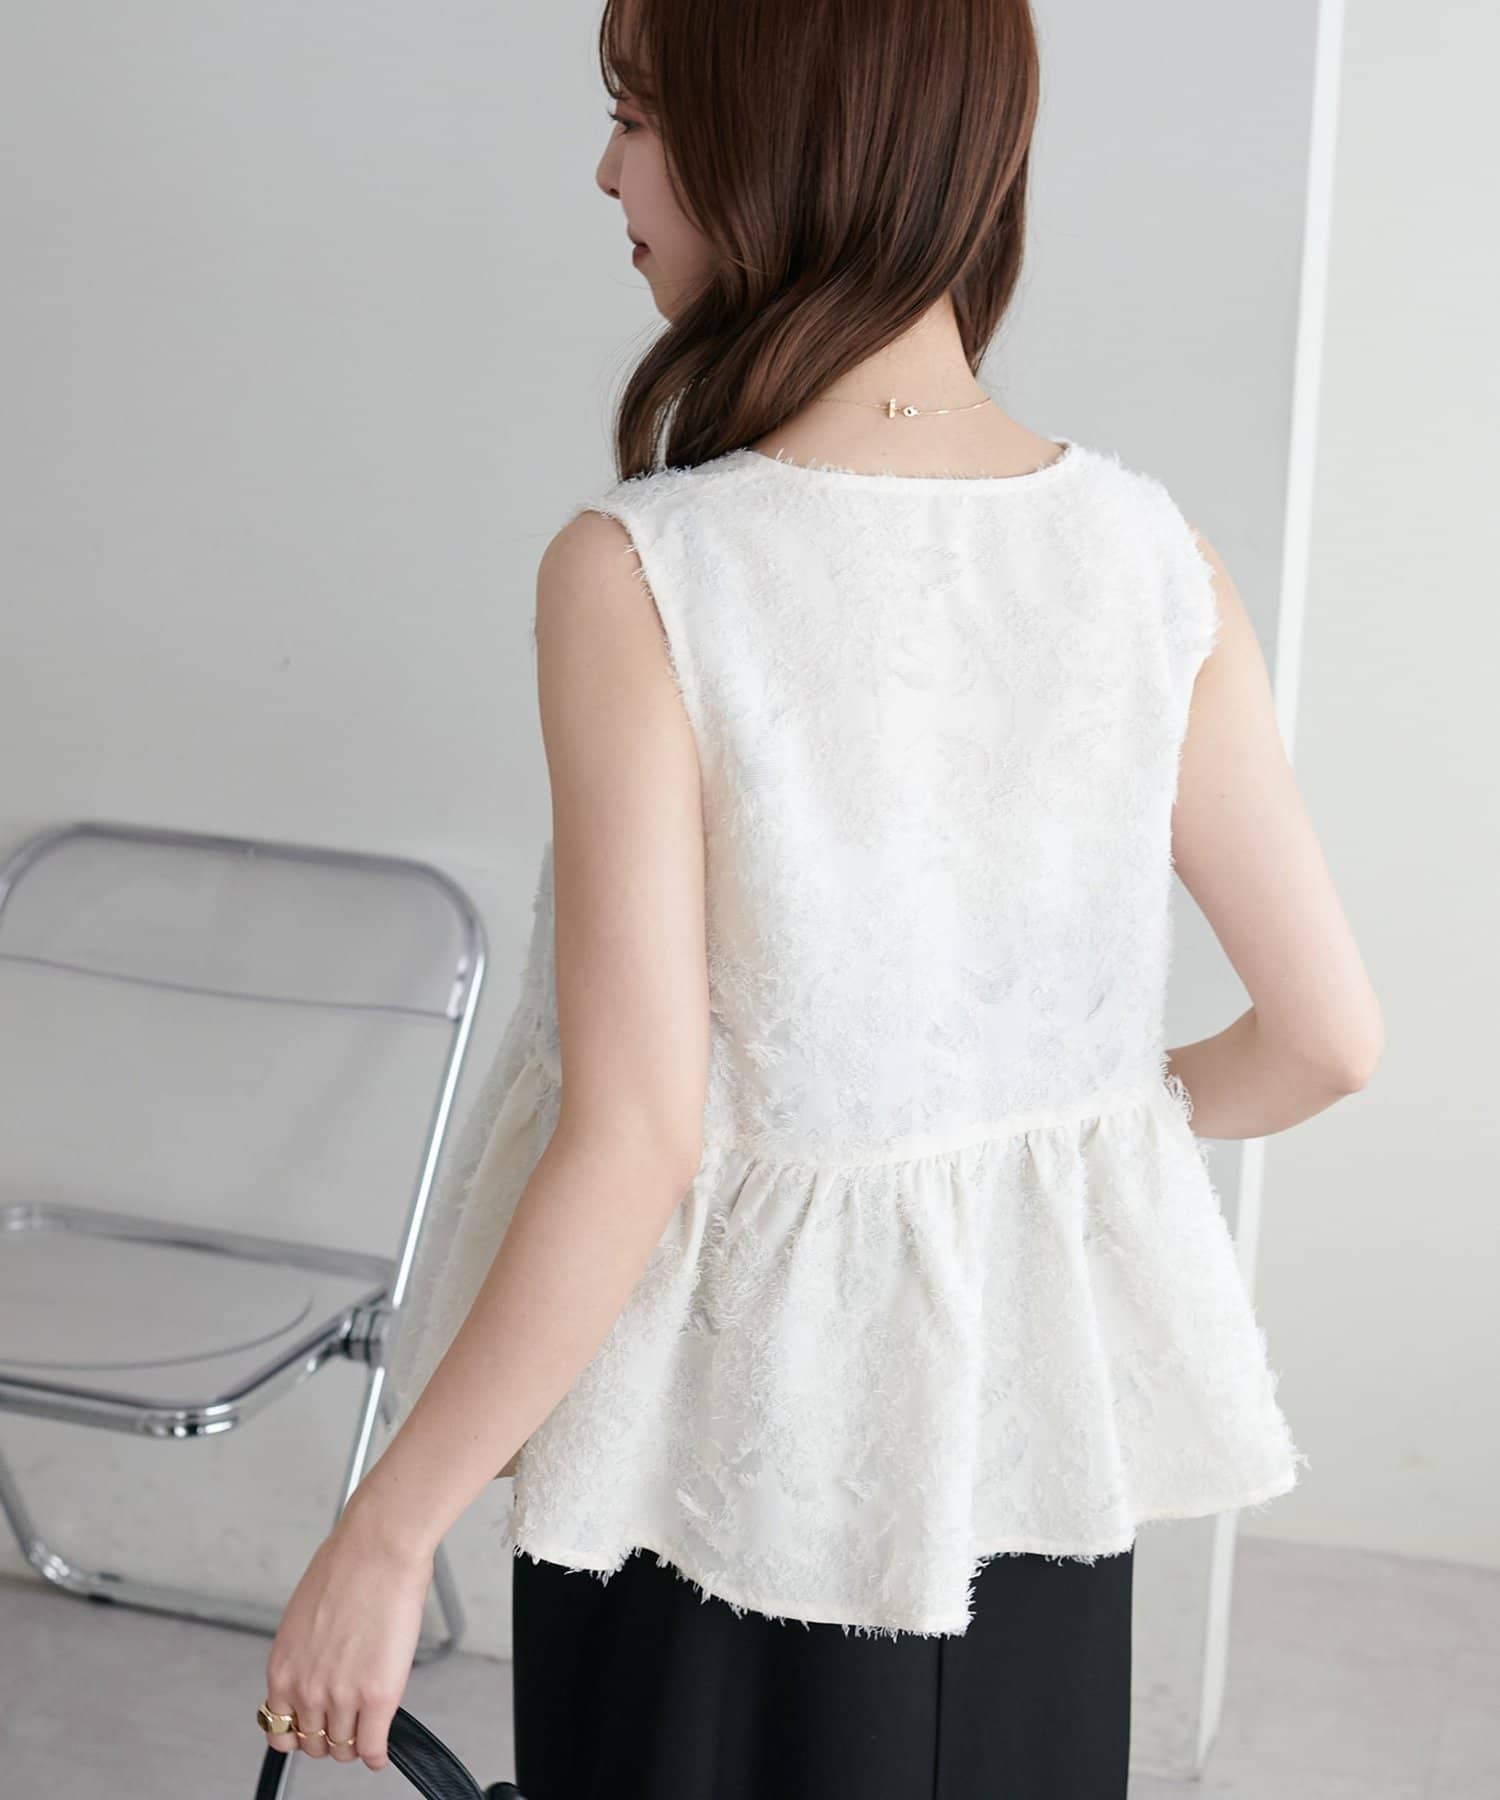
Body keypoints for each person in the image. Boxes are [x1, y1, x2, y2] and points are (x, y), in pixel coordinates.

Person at [257, 0, 1383, 1793]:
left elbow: (638, 1137)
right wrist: (1025, 1148)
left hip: (716, 1477)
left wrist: (385, 1536)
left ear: (789, 138)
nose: (606, 169)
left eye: (644, 113)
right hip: (1018, 1461)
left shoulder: (650, 572)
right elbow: (1327, 1040)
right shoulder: (1152, 559)